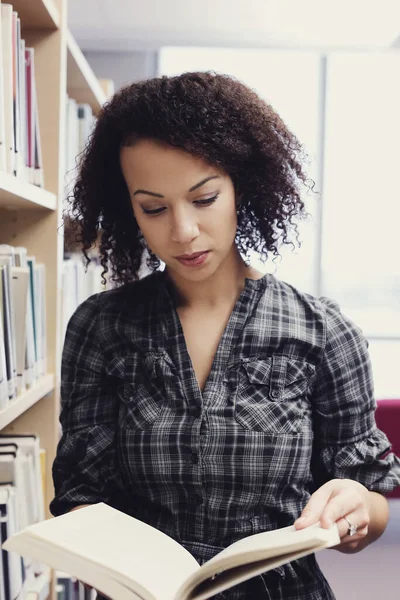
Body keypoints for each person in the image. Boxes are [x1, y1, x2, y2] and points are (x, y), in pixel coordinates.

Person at [50, 71, 400, 600]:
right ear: (128, 210)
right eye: (154, 208)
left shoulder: (324, 330)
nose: (184, 231)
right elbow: (80, 495)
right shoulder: (101, 328)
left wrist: (354, 510)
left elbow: (371, 499)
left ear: (243, 187)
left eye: (204, 198)